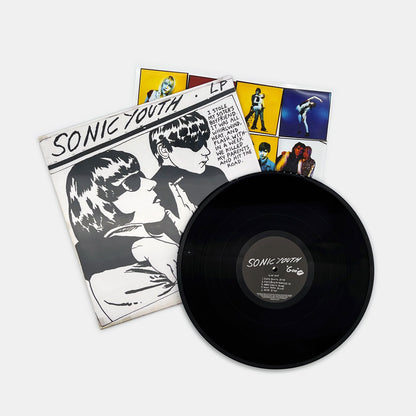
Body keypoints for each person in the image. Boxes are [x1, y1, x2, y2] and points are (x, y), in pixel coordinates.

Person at [66, 149, 194, 325]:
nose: (151, 183)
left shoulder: (145, 242)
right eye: (133, 182)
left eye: (142, 176)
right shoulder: (149, 248)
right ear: (103, 203)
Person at [149, 111, 228, 227]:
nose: (206, 151)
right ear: (164, 150)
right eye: (195, 145)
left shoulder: (215, 173)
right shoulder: (152, 191)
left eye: (204, 142)